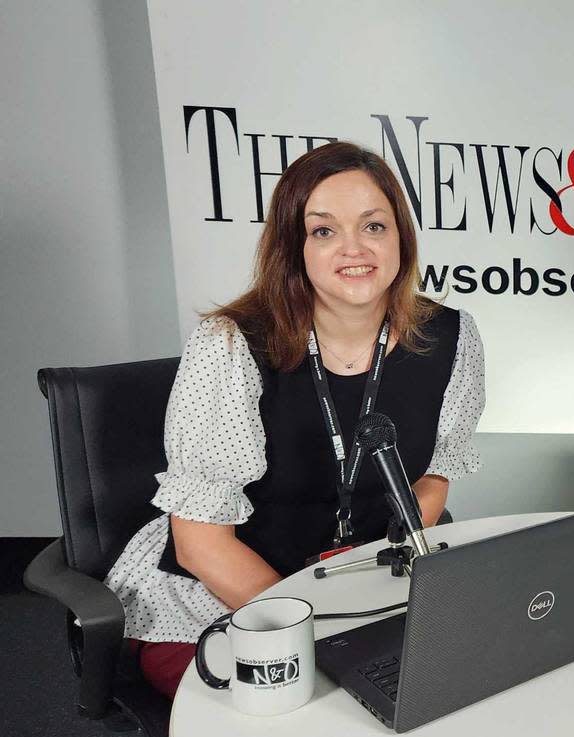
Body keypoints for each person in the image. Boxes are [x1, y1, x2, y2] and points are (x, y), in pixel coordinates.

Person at [104, 141, 485, 698]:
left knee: (450, 689)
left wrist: (391, 567)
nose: (355, 248)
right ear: (293, 247)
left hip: (360, 587)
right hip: (223, 598)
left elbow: (431, 476)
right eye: (324, 231)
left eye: (374, 226)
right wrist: (318, 627)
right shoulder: (230, 346)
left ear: (400, 236)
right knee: (297, 717)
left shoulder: (450, 337)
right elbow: (200, 546)